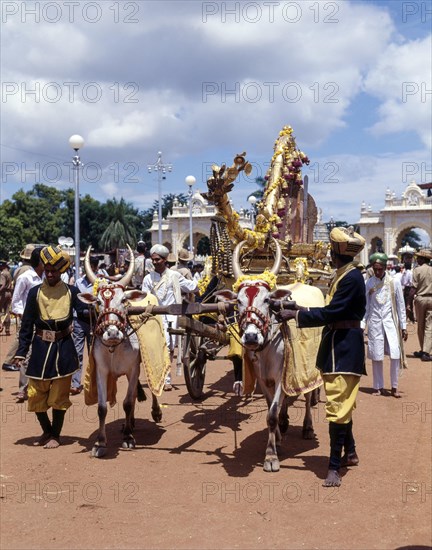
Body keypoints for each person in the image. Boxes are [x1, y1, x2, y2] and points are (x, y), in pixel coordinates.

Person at [277, 226, 366, 487]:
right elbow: (330, 310)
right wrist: (298, 307)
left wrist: (297, 315)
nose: (327, 254)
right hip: (334, 346)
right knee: (341, 406)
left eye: (330, 250)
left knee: (337, 409)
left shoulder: (351, 278)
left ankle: (334, 467)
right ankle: (350, 452)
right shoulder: (344, 274)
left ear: (337, 253)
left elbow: (332, 313)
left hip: (345, 349)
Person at [12, 245, 86, 449]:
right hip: (40, 349)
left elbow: (85, 312)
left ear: (61, 271)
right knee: (35, 394)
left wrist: (99, 307)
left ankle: (56, 434)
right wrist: (21, 352)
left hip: (64, 349)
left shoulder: (72, 292)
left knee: (59, 396)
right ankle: (46, 430)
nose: (50, 274)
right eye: (47, 270)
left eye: (54, 270)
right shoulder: (35, 293)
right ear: (43, 269)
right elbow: (27, 324)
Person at [142, 244, 198, 391]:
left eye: (157, 259)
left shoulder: (174, 276)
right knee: (157, 348)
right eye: (153, 259)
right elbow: (144, 297)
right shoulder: (148, 278)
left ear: (165, 259)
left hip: (172, 318)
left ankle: (166, 379)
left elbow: (191, 287)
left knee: (168, 348)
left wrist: (203, 284)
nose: (154, 262)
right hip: (154, 318)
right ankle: (162, 377)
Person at [364, 253, 408, 398]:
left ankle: (394, 387)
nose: (378, 272)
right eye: (375, 269)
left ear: (385, 267)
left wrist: (404, 326)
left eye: (380, 269)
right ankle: (378, 386)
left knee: (395, 354)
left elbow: (401, 305)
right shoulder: (369, 283)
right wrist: (362, 324)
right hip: (375, 322)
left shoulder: (394, 282)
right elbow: (366, 306)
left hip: (391, 324)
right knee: (377, 355)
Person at [7, 247, 45, 402]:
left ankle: (40, 388)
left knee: (43, 353)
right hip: (29, 322)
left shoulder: (47, 278)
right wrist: (25, 316)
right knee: (27, 354)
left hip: (45, 322)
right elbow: (15, 301)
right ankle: (23, 388)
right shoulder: (26, 277)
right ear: (39, 262)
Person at [71, 255, 100, 394]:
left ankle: (94, 383)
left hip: (95, 322)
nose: (87, 270)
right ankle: (75, 383)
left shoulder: (101, 283)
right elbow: (73, 301)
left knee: (94, 353)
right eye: (85, 267)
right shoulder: (78, 282)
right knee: (77, 352)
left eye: (90, 267)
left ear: (95, 268)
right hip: (79, 321)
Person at [409, 250, 432, 362]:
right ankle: (426, 351)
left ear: (423, 259)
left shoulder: (417, 270)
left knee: (421, 325)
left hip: (420, 299)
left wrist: (408, 304)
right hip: (431, 298)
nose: (417, 259)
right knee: (429, 326)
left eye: (418, 258)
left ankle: (424, 350)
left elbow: (413, 289)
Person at [0, 261, 13, 335]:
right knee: (7, 311)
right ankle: (7, 329)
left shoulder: (3, 274)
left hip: (3, 293)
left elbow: (3, 285)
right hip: (9, 293)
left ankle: (0, 326)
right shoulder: (8, 273)